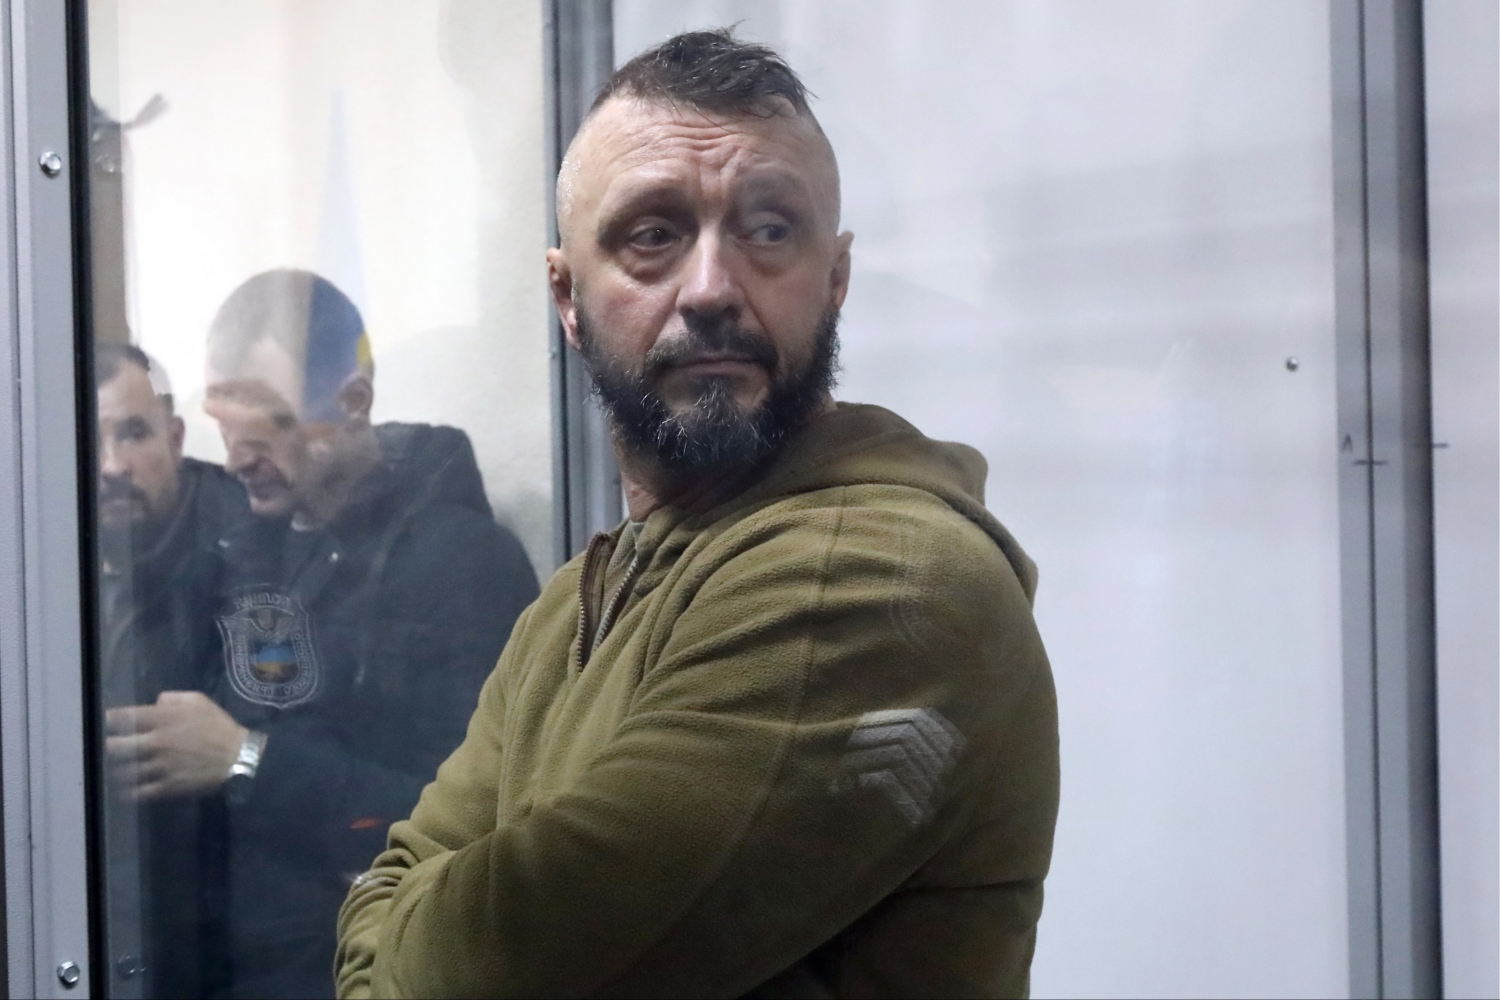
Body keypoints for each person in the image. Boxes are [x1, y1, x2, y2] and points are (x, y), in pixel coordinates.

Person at [337, 29, 1059, 999]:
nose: (714, 288)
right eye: (652, 235)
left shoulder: (880, 581)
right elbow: (385, 893)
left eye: (770, 231)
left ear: (835, 281)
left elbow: (477, 974)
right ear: (567, 295)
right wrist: (398, 927)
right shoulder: (578, 601)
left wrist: (402, 930)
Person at [108, 269, 540, 999]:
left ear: (354, 403)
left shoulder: (460, 566)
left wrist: (245, 760)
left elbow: (474, 823)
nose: (237, 457)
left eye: (270, 425)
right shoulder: (249, 550)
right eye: (226, 426)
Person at [96, 343, 250, 998]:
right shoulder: (46, 564)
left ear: (177, 438)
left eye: (133, 433)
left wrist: (242, 757)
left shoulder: (248, 560)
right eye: (90, 439)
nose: (111, 466)